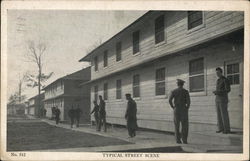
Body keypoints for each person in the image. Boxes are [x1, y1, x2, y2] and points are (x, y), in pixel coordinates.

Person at [169, 79, 190, 144]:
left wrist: (173, 107)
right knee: (185, 125)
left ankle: (178, 140)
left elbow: (169, 100)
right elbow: (189, 102)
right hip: (183, 109)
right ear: (182, 84)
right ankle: (184, 140)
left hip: (176, 109)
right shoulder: (186, 91)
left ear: (177, 84)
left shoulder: (174, 91)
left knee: (176, 125)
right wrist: (187, 108)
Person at [213, 67, 231, 134]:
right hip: (217, 99)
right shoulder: (218, 80)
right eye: (216, 73)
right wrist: (216, 92)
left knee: (224, 114)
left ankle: (226, 129)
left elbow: (228, 90)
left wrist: (218, 92)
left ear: (221, 72)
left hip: (223, 99)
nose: (217, 74)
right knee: (218, 114)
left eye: (218, 73)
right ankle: (220, 128)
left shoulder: (225, 80)